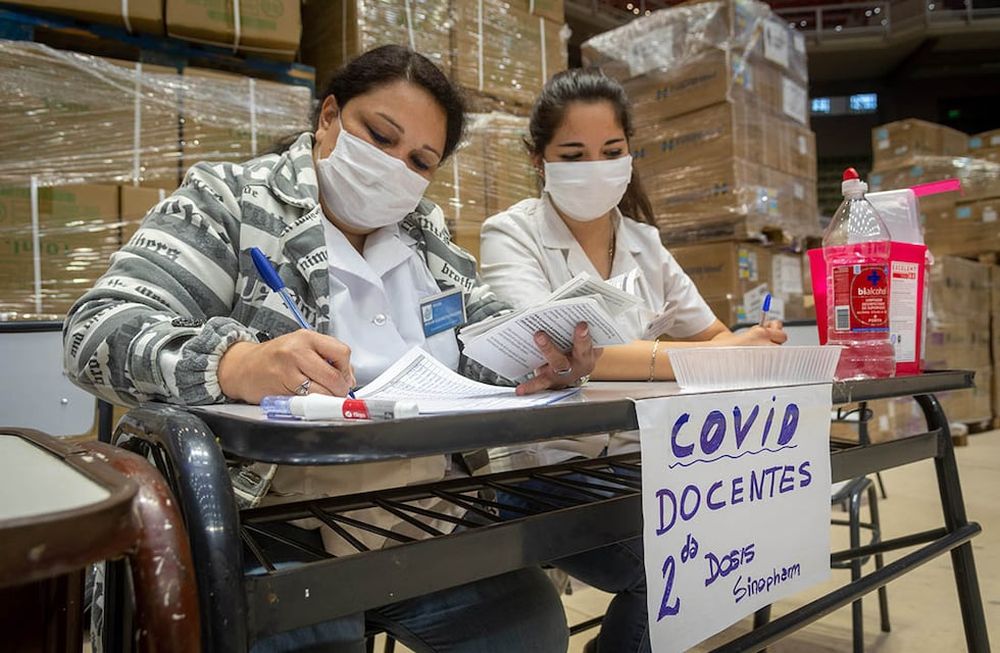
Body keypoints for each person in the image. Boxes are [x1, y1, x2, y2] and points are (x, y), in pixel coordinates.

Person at [64, 46, 600, 653]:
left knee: (527, 623)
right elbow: (95, 329)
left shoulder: (429, 241)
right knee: (317, 628)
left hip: (421, 510)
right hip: (270, 522)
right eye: (379, 135)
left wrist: (540, 355)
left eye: (420, 160)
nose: (395, 167)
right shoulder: (231, 202)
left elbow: (483, 336)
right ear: (327, 117)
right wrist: (234, 366)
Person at [478, 69, 786, 653]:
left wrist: (748, 343)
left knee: (738, 542)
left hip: (643, 465)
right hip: (545, 472)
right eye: (574, 153)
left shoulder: (645, 243)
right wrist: (709, 355)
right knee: (676, 566)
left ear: (629, 152)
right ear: (538, 158)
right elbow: (562, 353)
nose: (596, 166)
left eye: (611, 151)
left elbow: (716, 335)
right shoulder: (511, 234)